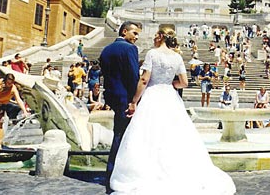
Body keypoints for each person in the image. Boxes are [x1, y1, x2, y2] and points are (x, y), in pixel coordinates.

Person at [110, 27, 236, 194]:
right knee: (173, 133)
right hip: (170, 96)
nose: (154, 37)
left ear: (161, 36)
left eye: (156, 35)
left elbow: (144, 79)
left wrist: (134, 100)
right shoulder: (176, 57)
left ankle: (150, 170)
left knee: (149, 134)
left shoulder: (152, 54)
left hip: (153, 95)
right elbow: (184, 82)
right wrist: (170, 84)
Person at [100, 21, 141, 194]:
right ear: (125, 31)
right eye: (134, 33)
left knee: (120, 133)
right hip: (126, 98)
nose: (136, 37)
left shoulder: (106, 49)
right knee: (122, 135)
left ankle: (113, 171)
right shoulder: (129, 49)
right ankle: (115, 172)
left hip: (113, 96)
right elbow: (133, 76)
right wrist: (135, 100)